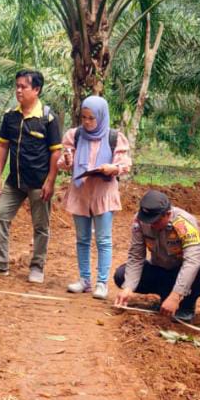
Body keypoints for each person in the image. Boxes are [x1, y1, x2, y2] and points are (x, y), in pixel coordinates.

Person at [0, 70, 63, 283]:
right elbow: (2, 146)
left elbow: (55, 152)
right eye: (17, 86)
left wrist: (50, 181)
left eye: (23, 87)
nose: (18, 90)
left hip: (39, 183)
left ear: (36, 89)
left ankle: (37, 267)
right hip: (14, 182)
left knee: (40, 226)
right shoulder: (10, 116)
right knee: (0, 215)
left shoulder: (48, 118)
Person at [58, 95, 131, 300]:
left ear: (102, 116)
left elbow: (125, 164)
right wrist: (66, 160)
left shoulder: (114, 137)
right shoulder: (75, 135)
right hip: (80, 192)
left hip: (103, 194)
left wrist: (112, 168)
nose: (87, 122)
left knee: (104, 239)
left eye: (92, 118)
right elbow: (62, 164)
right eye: (84, 117)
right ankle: (84, 279)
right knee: (82, 239)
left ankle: (101, 282)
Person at [113, 190, 200, 321]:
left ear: (168, 214)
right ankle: (165, 295)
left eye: (156, 221)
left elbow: (192, 261)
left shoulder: (184, 222)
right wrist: (128, 287)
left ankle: (186, 306)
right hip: (162, 268)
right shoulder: (140, 221)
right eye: (148, 220)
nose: (151, 225)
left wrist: (176, 295)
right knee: (121, 276)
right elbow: (136, 255)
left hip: (185, 270)